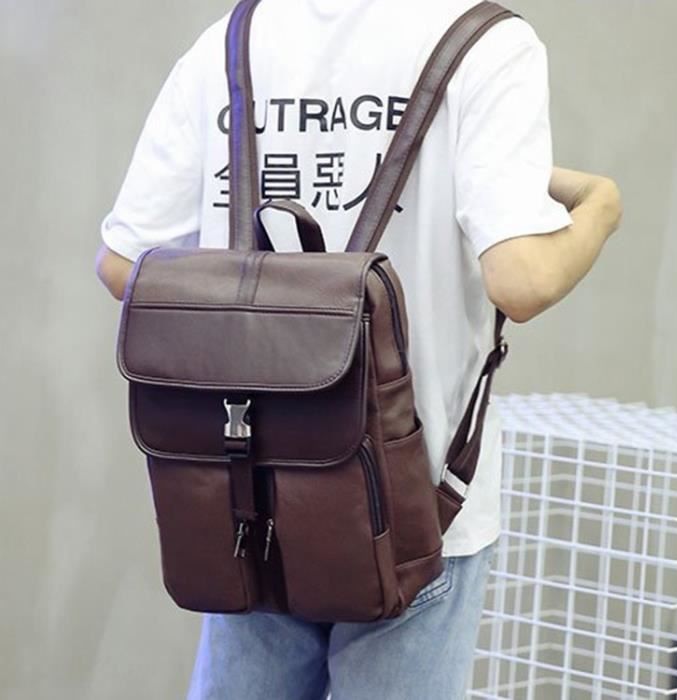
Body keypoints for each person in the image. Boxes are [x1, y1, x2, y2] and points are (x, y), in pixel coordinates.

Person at [95, 1, 622, 697]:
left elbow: (124, 264)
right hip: (417, 508)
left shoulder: (233, 40)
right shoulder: (488, 44)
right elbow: (522, 280)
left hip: (250, 487)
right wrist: (602, 206)